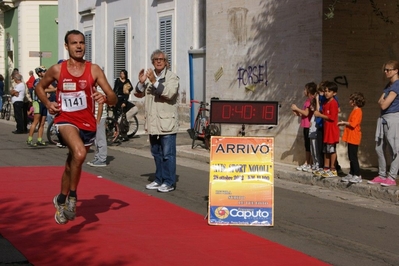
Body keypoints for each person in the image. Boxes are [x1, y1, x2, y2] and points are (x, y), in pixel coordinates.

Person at [35, 29, 117, 225]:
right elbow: (39, 87)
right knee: (79, 154)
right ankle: (72, 197)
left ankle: (61, 199)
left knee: (73, 163)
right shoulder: (57, 70)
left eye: (81, 42)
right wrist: (48, 104)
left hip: (87, 123)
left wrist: (104, 98)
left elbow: (113, 98)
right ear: (66, 46)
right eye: (74, 43)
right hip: (65, 120)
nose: (79, 46)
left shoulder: (94, 69)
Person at [134, 49, 180, 193]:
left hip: (167, 123)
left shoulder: (172, 77)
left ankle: (169, 181)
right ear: (152, 62)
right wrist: (141, 83)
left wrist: (154, 81)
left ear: (166, 62)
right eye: (155, 59)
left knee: (168, 154)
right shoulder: (149, 78)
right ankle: (159, 179)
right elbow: (138, 94)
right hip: (153, 123)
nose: (158, 61)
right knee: (156, 153)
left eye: (161, 59)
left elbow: (169, 93)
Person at [368, 60, 399, 187]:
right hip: (383, 118)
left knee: (394, 148)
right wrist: (382, 101)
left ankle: (392, 177)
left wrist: (382, 101)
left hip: (392, 118)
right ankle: (381, 175)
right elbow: (379, 101)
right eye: (385, 70)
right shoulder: (388, 86)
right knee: (379, 147)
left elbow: (384, 103)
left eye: (389, 70)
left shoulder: (397, 85)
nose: (386, 72)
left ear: (396, 70)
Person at [313, 81, 340, 178]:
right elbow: (321, 110)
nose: (327, 93)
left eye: (329, 91)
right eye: (326, 91)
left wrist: (320, 115)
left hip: (332, 130)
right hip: (326, 129)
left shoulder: (334, 103)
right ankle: (326, 167)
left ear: (334, 93)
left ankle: (333, 168)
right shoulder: (325, 103)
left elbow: (332, 117)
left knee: (331, 149)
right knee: (325, 149)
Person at [338, 92, 366, 183]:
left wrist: (343, 122)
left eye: (351, 100)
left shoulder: (358, 111)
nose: (349, 101)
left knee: (353, 156)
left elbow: (353, 124)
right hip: (351, 136)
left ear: (354, 101)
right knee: (350, 155)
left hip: (354, 136)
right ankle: (352, 172)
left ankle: (357, 174)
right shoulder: (354, 110)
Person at [291, 82, 317, 172]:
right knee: (307, 145)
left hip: (309, 125)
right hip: (305, 124)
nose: (304, 91)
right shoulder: (307, 101)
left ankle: (308, 163)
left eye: (305, 89)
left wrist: (296, 108)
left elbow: (306, 113)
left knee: (309, 145)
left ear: (309, 91)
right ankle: (308, 163)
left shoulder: (311, 100)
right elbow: (305, 113)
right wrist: (298, 113)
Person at [26, 66, 52, 146]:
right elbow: (41, 90)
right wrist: (53, 90)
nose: (45, 73)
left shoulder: (46, 81)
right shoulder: (37, 81)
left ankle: (39, 139)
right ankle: (29, 139)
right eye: (44, 71)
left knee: (42, 123)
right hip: (37, 102)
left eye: (45, 71)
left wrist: (51, 91)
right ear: (39, 73)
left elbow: (52, 88)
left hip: (44, 103)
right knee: (36, 121)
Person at [87, 86, 108, 167]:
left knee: (100, 138)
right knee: (96, 139)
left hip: (100, 117)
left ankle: (102, 159)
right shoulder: (92, 87)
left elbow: (101, 105)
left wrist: (98, 120)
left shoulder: (99, 89)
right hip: (93, 116)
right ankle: (97, 157)